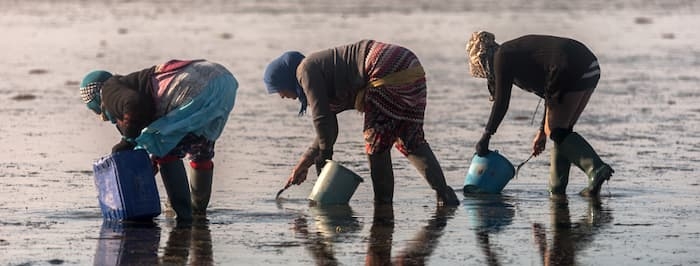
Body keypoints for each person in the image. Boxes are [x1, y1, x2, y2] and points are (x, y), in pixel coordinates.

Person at [263, 40, 460, 206]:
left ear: (286, 79)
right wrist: (303, 165)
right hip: (410, 65)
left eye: (278, 89)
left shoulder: (304, 70)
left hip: (384, 68)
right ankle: (445, 196)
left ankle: (383, 208)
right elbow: (328, 130)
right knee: (410, 139)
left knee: (376, 145)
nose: (281, 96)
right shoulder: (320, 72)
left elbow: (321, 118)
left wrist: (325, 158)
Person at [79, 59, 238, 221]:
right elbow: (149, 114)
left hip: (192, 86)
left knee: (167, 152)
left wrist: (127, 140)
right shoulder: (132, 83)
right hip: (224, 81)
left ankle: (183, 216)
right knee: (200, 149)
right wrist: (152, 155)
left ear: (96, 101)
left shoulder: (109, 90)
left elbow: (135, 104)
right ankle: (199, 211)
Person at [466, 31, 614, 197]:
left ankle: (596, 169)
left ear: (484, 60)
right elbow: (548, 94)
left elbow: (502, 103)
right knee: (561, 130)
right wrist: (541, 131)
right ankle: (557, 187)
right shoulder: (511, 54)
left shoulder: (502, 57)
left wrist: (486, 136)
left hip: (571, 66)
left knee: (557, 131)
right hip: (589, 65)